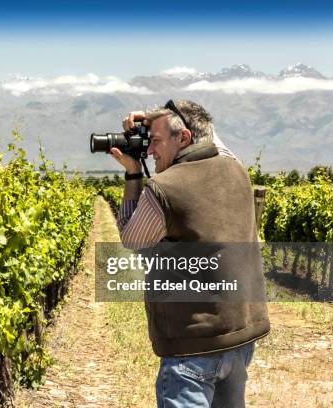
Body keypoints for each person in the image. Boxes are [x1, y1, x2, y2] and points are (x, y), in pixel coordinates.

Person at [110, 99, 270, 408]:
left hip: (193, 346)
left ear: (183, 138)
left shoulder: (165, 187)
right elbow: (212, 139)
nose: (150, 151)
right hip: (240, 337)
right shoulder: (235, 167)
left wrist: (133, 175)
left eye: (154, 141)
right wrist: (164, 113)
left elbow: (132, 238)